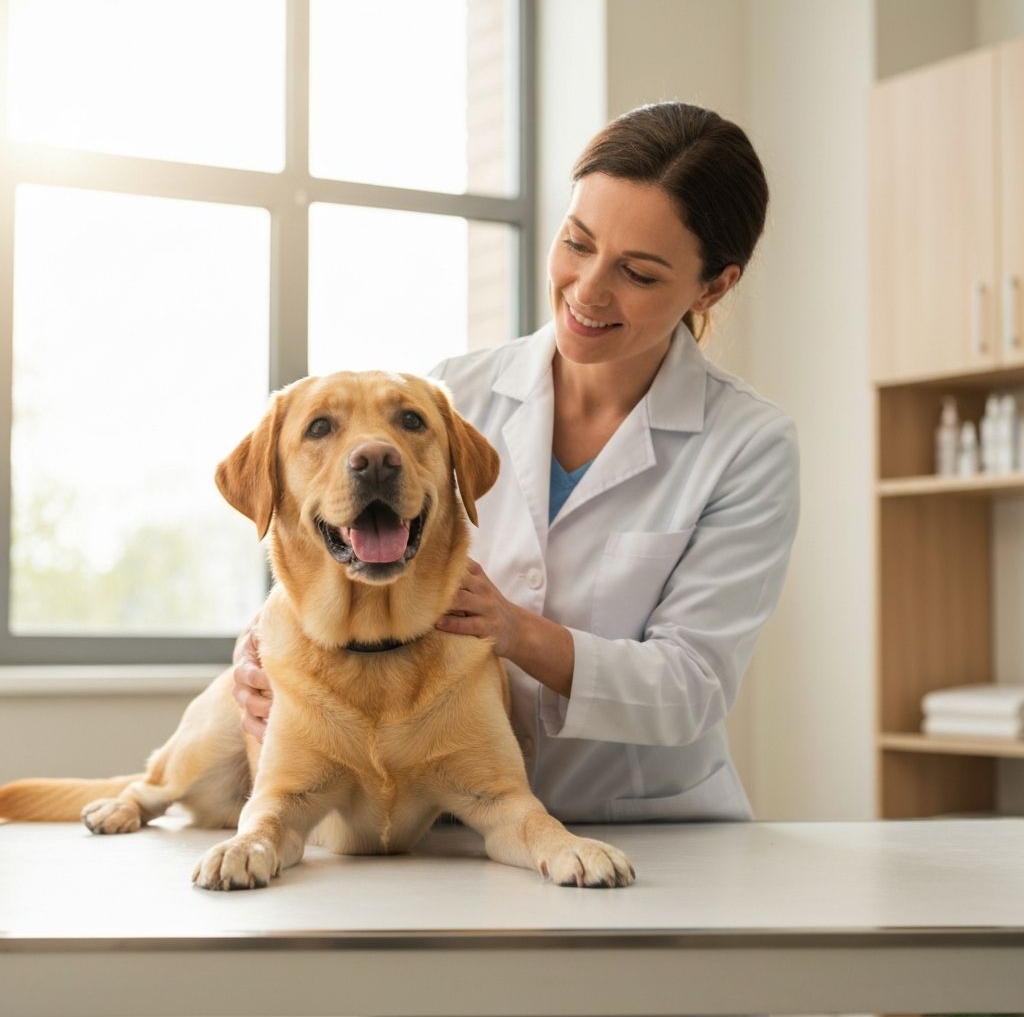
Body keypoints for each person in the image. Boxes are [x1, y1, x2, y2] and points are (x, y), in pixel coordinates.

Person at [233, 102, 800, 823]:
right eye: (577, 242)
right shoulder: (451, 395)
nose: (588, 290)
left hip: (645, 827)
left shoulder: (747, 446)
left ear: (714, 285)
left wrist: (516, 631)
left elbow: (692, 686)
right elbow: (341, 544)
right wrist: (260, 659)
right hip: (451, 830)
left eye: (639, 272)